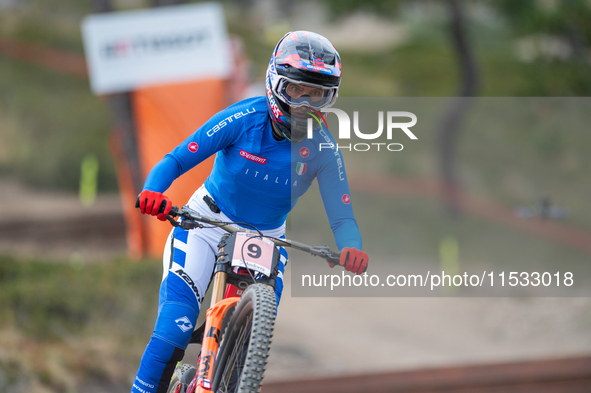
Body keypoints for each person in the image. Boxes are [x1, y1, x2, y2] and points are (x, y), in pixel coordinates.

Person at [132, 30, 368, 393]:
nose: (305, 103)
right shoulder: (242, 118)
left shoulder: (323, 146)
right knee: (174, 328)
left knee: (245, 350)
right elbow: (177, 159)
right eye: (296, 90)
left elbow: (342, 214)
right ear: (275, 83)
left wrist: (351, 245)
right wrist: (153, 191)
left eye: (317, 94)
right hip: (205, 223)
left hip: (266, 237)